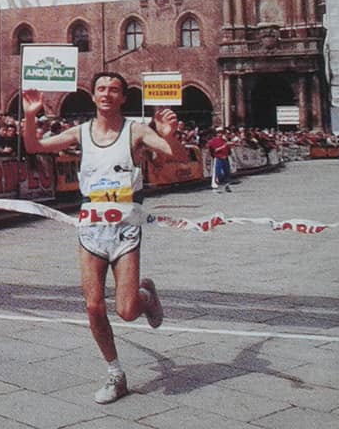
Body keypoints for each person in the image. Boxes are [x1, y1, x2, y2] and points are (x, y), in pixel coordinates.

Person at [21, 72, 187, 404]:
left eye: (114, 90)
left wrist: (171, 135)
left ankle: (145, 296)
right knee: (94, 306)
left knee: (126, 311)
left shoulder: (136, 131)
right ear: (93, 96)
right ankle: (116, 373)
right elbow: (34, 145)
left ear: (123, 97)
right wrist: (30, 116)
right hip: (92, 225)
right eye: (101, 89)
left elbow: (177, 155)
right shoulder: (81, 132)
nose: (106, 94)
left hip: (126, 225)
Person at [206, 127, 233, 192]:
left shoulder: (224, 141)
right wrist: (223, 147)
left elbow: (229, 151)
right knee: (218, 173)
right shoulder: (213, 141)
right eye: (219, 132)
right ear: (216, 133)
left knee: (227, 173)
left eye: (221, 132)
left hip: (225, 158)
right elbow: (215, 150)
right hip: (218, 158)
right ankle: (216, 184)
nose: (220, 134)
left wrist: (229, 147)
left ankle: (227, 185)